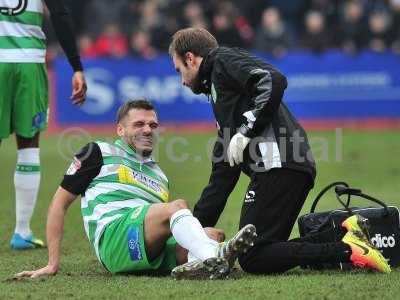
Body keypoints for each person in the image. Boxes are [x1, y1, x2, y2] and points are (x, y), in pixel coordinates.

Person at [168, 27, 391, 274]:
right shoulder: (219, 93)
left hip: (279, 165)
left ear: (190, 58)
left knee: (253, 257)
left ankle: (348, 250)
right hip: (287, 166)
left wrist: (246, 130)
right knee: (264, 251)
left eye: (179, 70)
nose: (182, 80)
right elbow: (223, 173)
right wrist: (193, 234)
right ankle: (346, 233)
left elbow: (272, 79)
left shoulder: (221, 60)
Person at [15, 99, 257, 280]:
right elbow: (59, 203)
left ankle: (201, 261)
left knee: (213, 234)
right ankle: (213, 257)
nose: (147, 130)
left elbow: (159, 225)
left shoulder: (159, 176)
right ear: (120, 130)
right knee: (178, 207)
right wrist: (52, 263)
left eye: (153, 125)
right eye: (139, 124)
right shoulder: (97, 152)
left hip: (145, 250)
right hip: (115, 239)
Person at [0, 0, 87, 249]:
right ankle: (22, 231)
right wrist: (76, 67)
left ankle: (23, 231)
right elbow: (59, 13)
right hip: (28, 62)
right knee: (28, 144)